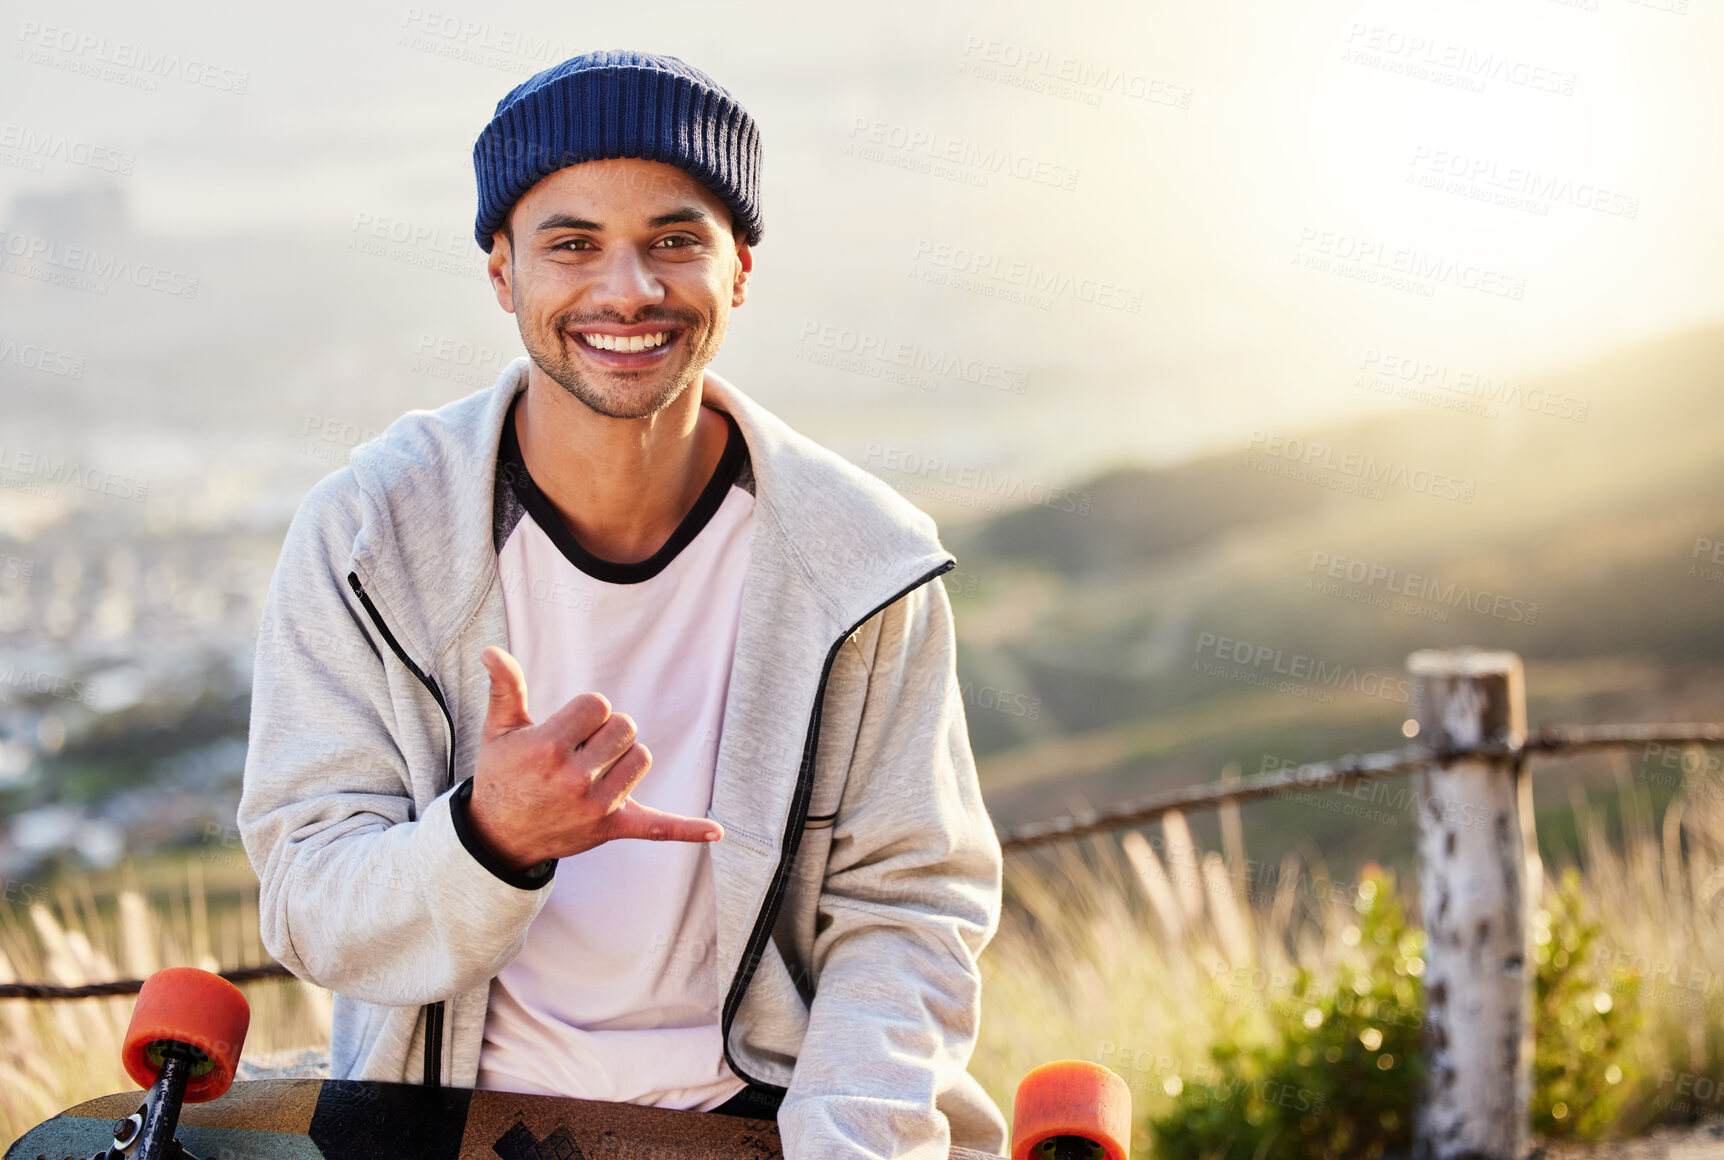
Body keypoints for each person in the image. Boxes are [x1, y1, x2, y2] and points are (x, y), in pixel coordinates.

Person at [238, 49, 1008, 1159]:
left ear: (739, 267)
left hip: (761, 1125)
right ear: (500, 270)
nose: (627, 290)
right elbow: (311, 903)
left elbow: (906, 913)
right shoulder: (371, 535)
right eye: (571, 243)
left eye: (673, 240)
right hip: (446, 1121)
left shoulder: (861, 563)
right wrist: (488, 836)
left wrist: (846, 1145)